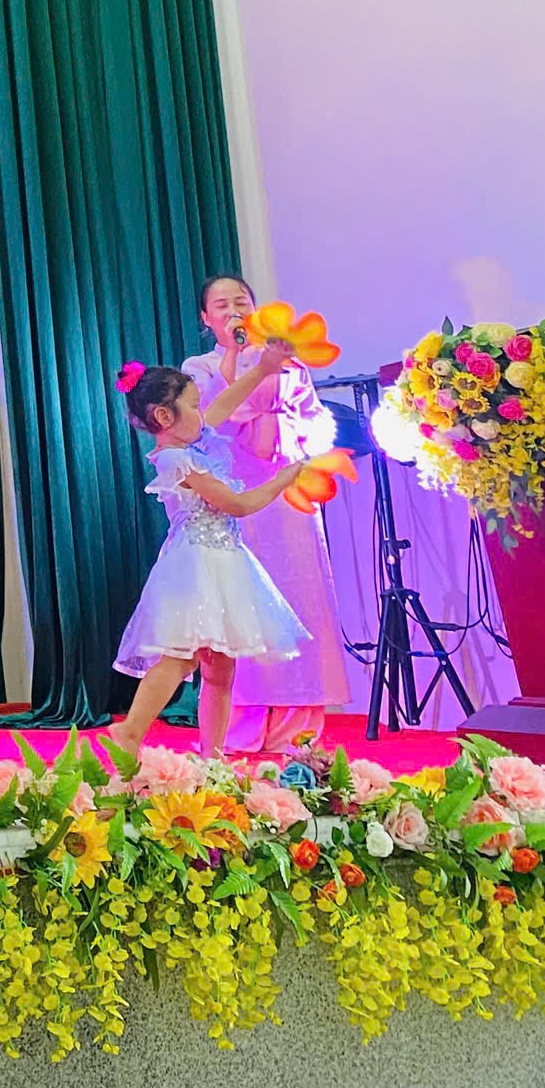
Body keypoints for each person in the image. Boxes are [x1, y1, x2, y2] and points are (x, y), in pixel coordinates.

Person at [105, 354, 312, 766]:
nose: (204, 413)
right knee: (180, 656)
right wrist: (281, 481)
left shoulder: (191, 441)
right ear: (164, 416)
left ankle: (212, 757)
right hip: (196, 565)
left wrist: (263, 369)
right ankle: (130, 731)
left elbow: (223, 404)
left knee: (220, 669)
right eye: (194, 406)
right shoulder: (175, 459)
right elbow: (236, 504)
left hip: (222, 561)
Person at [186, 273, 350, 754]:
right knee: (243, 605)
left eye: (241, 301)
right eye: (221, 305)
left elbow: (314, 417)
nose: (233, 310)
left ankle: (298, 729)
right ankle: (241, 728)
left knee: (299, 601)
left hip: (286, 494)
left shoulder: (289, 362)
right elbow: (207, 419)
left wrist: (294, 430)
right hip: (235, 496)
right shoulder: (199, 367)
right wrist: (240, 363)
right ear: (205, 318)